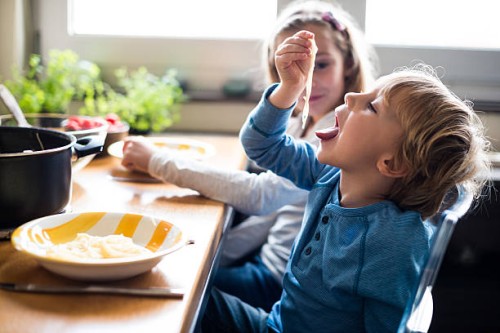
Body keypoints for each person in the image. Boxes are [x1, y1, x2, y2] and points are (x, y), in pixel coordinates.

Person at [201, 30, 491, 333]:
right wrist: (290, 88)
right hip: (277, 324)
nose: (351, 96)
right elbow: (262, 146)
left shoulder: (394, 245)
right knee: (191, 296)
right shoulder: (329, 175)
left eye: (371, 106)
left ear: (392, 163)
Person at [121, 0, 377, 311]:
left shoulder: (338, 142)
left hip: (280, 283)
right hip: (265, 263)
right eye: (294, 67)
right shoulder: (300, 123)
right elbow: (268, 218)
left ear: (348, 63)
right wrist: (211, 255)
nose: (309, 79)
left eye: (320, 65)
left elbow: (260, 197)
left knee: (165, 288)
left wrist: (158, 161)